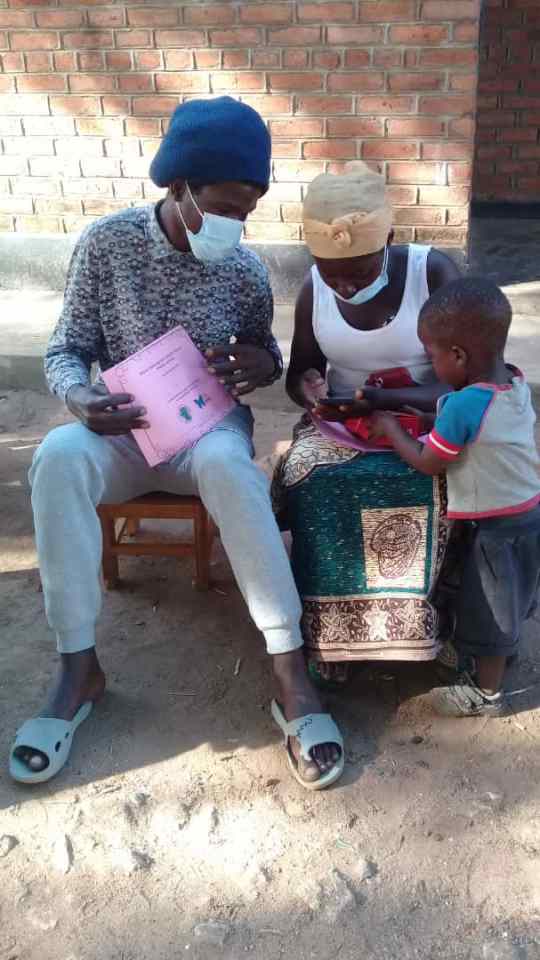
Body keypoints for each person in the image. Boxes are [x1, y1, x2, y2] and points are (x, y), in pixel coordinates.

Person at [9, 96, 343, 791]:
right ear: (179, 188)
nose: (234, 225)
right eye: (222, 207)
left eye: (247, 212)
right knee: (57, 458)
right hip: (124, 433)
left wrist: (260, 363)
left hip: (205, 433)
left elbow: (266, 355)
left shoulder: (244, 270)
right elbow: (67, 349)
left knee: (231, 466)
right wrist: (79, 398)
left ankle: (289, 668)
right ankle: (78, 666)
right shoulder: (107, 245)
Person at [272, 161, 460, 678]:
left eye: (358, 273)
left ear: (390, 241)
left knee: (450, 479)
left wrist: (385, 402)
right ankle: (330, 634)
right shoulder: (314, 288)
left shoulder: (433, 273)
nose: (346, 285)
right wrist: (310, 389)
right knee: (308, 475)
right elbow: (300, 370)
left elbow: (469, 382)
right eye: (332, 273)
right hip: (343, 422)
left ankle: (435, 622)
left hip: (431, 415)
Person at [369, 277, 540, 716]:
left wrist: (391, 429)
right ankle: (495, 653)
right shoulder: (514, 382)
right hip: (527, 516)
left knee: (491, 607)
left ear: (459, 356)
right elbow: (480, 426)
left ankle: (485, 694)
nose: (432, 365)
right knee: (511, 596)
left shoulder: (464, 406)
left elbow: (429, 462)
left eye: (433, 357)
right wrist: (433, 418)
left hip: (496, 530)